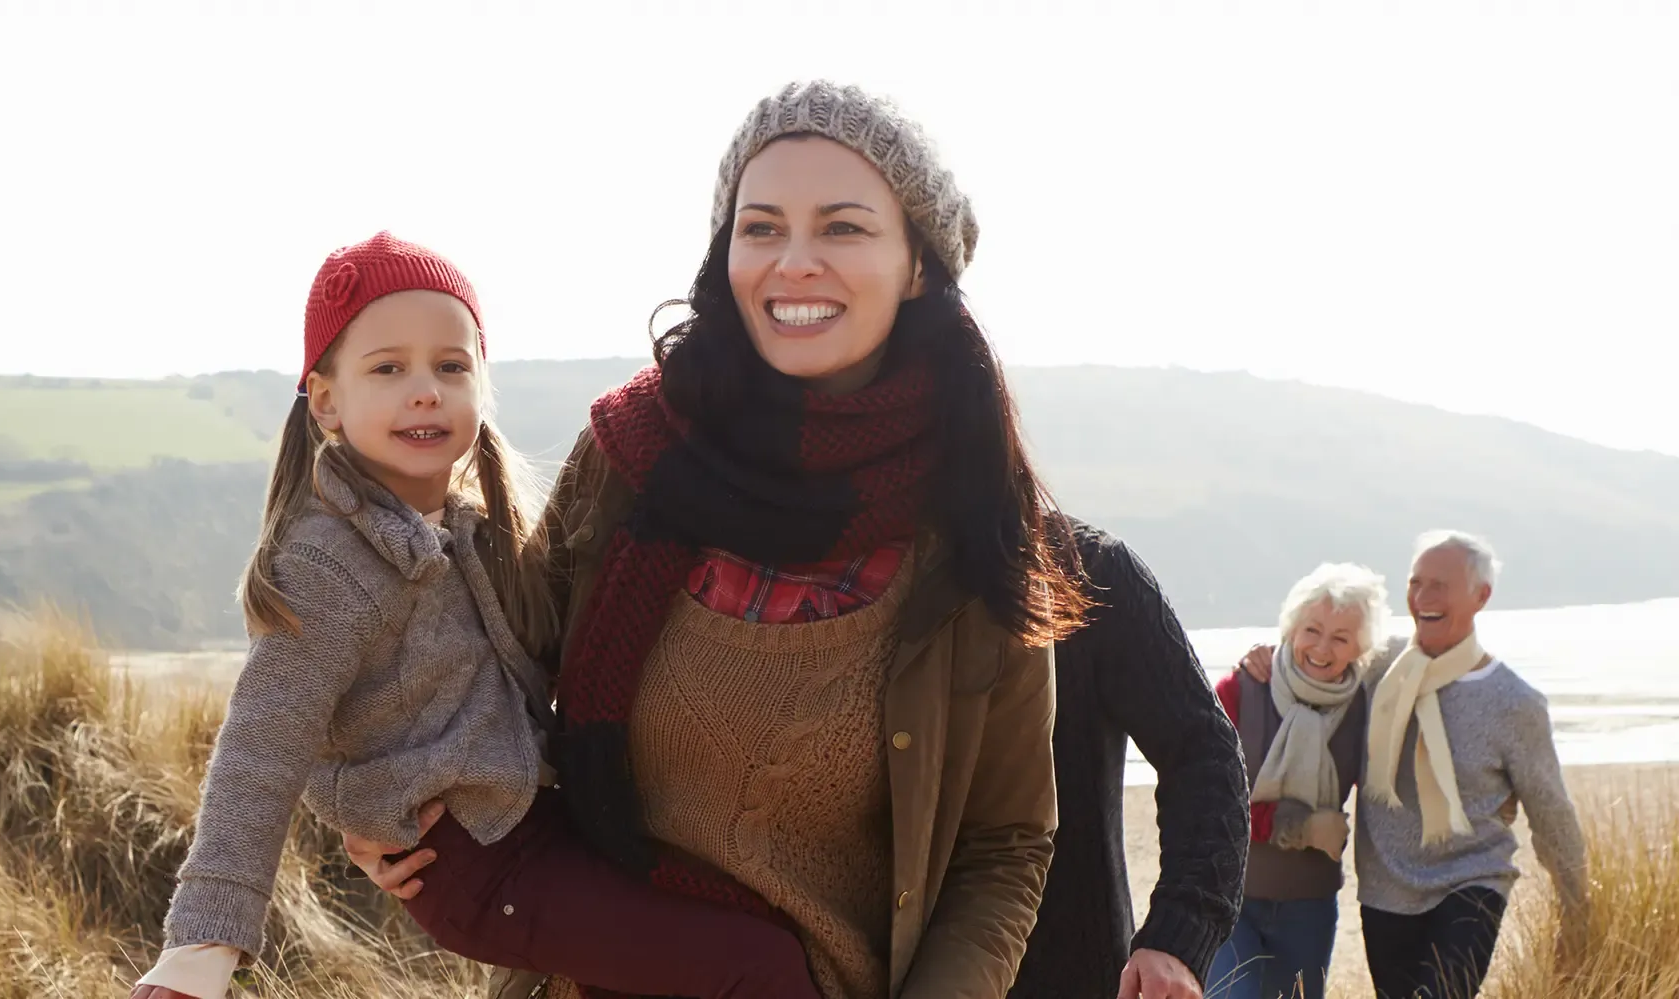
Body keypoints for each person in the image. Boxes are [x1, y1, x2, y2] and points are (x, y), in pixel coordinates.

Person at [346, 80, 1093, 999]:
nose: (795, 261)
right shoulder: (633, 455)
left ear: (920, 265)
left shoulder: (974, 525)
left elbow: (1004, 842)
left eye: (844, 228)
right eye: (763, 225)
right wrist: (381, 795)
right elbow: (494, 670)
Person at [132, 232, 822, 999]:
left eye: (450, 365)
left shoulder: (470, 527)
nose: (424, 389)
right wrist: (206, 940)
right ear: (326, 400)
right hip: (475, 865)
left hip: (536, 824)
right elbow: (263, 746)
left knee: (748, 926)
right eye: (388, 368)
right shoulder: (331, 563)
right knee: (758, 969)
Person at [1239, 530, 1590, 999]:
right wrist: (1264, 656)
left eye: (1440, 586)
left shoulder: (1515, 703)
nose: (1423, 598)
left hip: (1472, 881)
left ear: (1481, 596)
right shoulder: (1378, 665)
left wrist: (1577, 906)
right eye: (1415, 583)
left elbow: (1551, 812)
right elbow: (1316, 660)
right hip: (1385, 889)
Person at [1006, 521, 1251, 999]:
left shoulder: (1088, 570)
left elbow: (1204, 753)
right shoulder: (845, 579)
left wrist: (1178, 937)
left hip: (1077, 974)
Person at [1205, 563, 1388, 999]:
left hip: (1310, 906)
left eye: (1341, 638)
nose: (1321, 648)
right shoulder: (1239, 689)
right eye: (1311, 629)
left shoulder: (1364, 707)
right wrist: (1297, 827)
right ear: (1290, 627)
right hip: (1230, 899)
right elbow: (1208, 802)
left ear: (1360, 648)